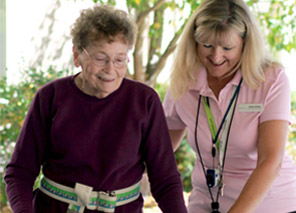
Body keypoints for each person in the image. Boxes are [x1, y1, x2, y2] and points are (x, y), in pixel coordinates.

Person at [4, 4, 187, 213]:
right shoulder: (50, 97)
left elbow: (165, 179)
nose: (110, 70)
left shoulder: (144, 101)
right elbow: (20, 172)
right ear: (77, 55)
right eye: (101, 58)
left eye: (119, 59)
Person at [163, 0, 296, 212]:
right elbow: (161, 146)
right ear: (194, 42)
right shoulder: (184, 79)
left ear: (245, 44)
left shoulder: (271, 79)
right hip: (205, 202)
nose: (216, 57)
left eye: (227, 48)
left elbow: (271, 161)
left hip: (268, 203)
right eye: (207, 45)